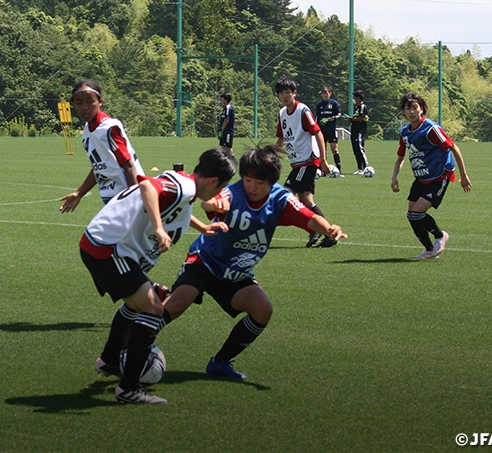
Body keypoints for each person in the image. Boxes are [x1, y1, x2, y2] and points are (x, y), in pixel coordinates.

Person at [161, 144, 347, 380]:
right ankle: (132, 346)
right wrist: (211, 205)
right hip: (206, 260)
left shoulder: (281, 199)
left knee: (262, 310)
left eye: (259, 182)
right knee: (176, 304)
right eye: (248, 180)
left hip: (236, 272)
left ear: (271, 181)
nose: (252, 187)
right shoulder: (233, 193)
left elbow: (309, 218)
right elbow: (210, 202)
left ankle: (220, 362)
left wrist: (329, 229)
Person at [81, 148, 236, 404]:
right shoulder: (185, 186)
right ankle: (129, 388)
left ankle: (109, 360)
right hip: (108, 250)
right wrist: (158, 228)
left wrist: (204, 226)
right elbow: (149, 188)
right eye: (220, 188)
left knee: (136, 304)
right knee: (153, 311)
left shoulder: (185, 187)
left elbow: (178, 207)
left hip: (102, 245)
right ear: (213, 182)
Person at [391, 92, 472, 259]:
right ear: (404, 112)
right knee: (411, 216)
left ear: (422, 109)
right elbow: (401, 157)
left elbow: (454, 147)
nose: (412, 111)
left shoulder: (431, 129)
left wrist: (463, 175)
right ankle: (429, 250)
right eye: (408, 108)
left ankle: (440, 235)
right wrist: (394, 177)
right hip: (421, 177)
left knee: (417, 213)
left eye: (415, 107)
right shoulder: (405, 132)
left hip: (439, 175)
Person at [60, 80, 144, 212]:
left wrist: (135, 198)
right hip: (111, 198)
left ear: (100, 101)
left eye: (89, 101)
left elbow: (128, 164)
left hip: (127, 197)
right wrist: (79, 193)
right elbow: (99, 167)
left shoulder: (109, 128)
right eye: (79, 103)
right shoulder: (88, 129)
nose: (84, 107)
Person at [274, 77, 337, 248]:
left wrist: (324, 160)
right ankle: (325, 232)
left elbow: (318, 133)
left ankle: (317, 230)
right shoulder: (282, 113)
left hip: (308, 161)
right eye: (281, 93)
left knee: (285, 194)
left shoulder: (303, 110)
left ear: (294, 93)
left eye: (288, 92)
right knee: (306, 201)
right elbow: (281, 138)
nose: (285, 96)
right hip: (297, 163)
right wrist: (271, 153)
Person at [316, 87, 343, 175]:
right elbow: (317, 118)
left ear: (330, 93)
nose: (324, 95)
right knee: (323, 150)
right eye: (323, 93)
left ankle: (339, 170)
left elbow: (339, 114)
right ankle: (323, 170)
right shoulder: (319, 105)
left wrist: (330, 118)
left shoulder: (334, 103)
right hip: (322, 131)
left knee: (334, 149)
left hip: (331, 130)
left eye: (326, 93)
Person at [346, 90, 371, 174]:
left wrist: (351, 119)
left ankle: (366, 167)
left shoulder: (362, 107)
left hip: (360, 131)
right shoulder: (356, 107)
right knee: (355, 149)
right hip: (354, 131)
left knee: (360, 149)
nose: (354, 99)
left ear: (359, 98)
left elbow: (361, 118)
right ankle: (359, 168)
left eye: (355, 97)